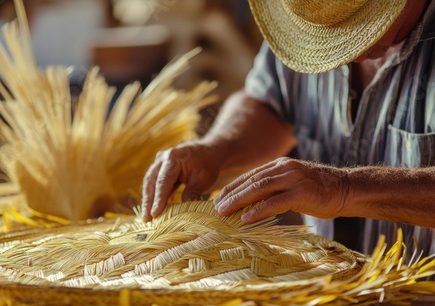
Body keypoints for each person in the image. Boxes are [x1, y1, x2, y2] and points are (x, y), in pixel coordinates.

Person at [141, 0, 435, 256]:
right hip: (333, 295)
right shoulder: (302, 20)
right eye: (330, 33)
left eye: (362, 24)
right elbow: (269, 103)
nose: (349, 53)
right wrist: (218, 148)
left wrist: (344, 189)